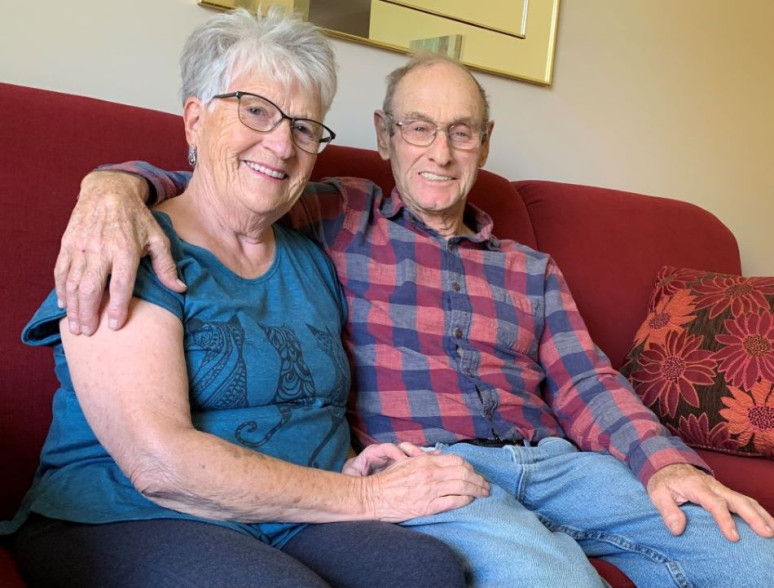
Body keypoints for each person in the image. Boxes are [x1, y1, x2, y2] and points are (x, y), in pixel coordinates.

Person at [54, 49, 774, 587]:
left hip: (558, 464)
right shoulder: (337, 212)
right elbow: (230, 188)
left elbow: (588, 383)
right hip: (435, 472)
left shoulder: (531, 269)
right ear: (385, 133)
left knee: (747, 552)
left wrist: (667, 466)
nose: (440, 151)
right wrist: (115, 187)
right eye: (419, 128)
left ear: (485, 141)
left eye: (461, 132)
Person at [0, 9, 493, 588]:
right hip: (128, 511)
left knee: (425, 572)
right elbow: (158, 464)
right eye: (256, 110)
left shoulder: (312, 254)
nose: (282, 144)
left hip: (293, 515)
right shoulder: (127, 244)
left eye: (305, 127)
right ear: (194, 120)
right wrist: (364, 494)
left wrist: (350, 466)